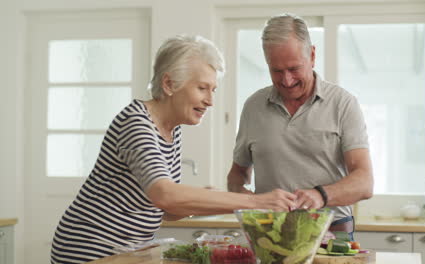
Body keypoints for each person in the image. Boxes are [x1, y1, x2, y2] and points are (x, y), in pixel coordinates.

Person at [50, 35, 297, 264]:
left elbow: (167, 209)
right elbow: (165, 195)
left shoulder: (171, 130)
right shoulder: (136, 123)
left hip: (127, 250)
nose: (210, 101)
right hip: (90, 250)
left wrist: (211, 199)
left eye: (213, 90)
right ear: (169, 84)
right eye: (202, 88)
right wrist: (256, 202)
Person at [227, 14, 374, 238]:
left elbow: (364, 182)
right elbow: (237, 176)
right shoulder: (253, 107)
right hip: (269, 233)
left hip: (332, 234)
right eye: (276, 70)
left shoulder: (343, 104)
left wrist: (320, 195)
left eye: (294, 68)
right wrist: (250, 203)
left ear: (312, 55)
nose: (287, 80)